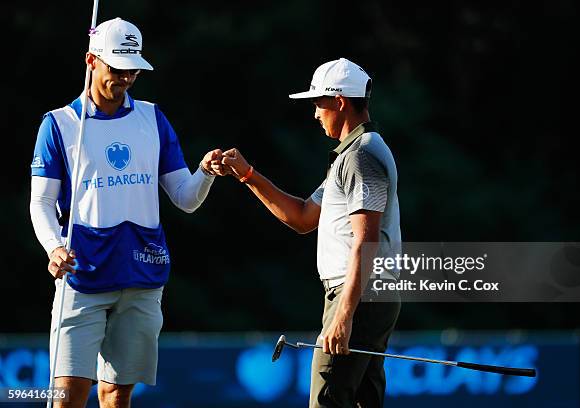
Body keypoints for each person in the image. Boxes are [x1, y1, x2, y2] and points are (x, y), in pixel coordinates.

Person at [29, 17, 222, 407]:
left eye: (133, 69)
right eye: (117, 68)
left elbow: (185, 198)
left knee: (116, 396)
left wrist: (205, 171)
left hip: (141, 274)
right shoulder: (59, 124)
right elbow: (42, 202)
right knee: (67, 396)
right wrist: (53, 247)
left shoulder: (152, 117)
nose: (127, 77)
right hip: (82, 275)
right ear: (91, 61)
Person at [214, 58, 402, 407]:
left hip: (358, 295)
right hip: (365, 295)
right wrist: (247, 175)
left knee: (326, 400)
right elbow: (302, 216)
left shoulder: (362, 156)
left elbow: (367, 239)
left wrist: (344, 315)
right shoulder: (351, 157)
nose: (315, 113)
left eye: (318, 103)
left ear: (340, 102)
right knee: (362, 401)